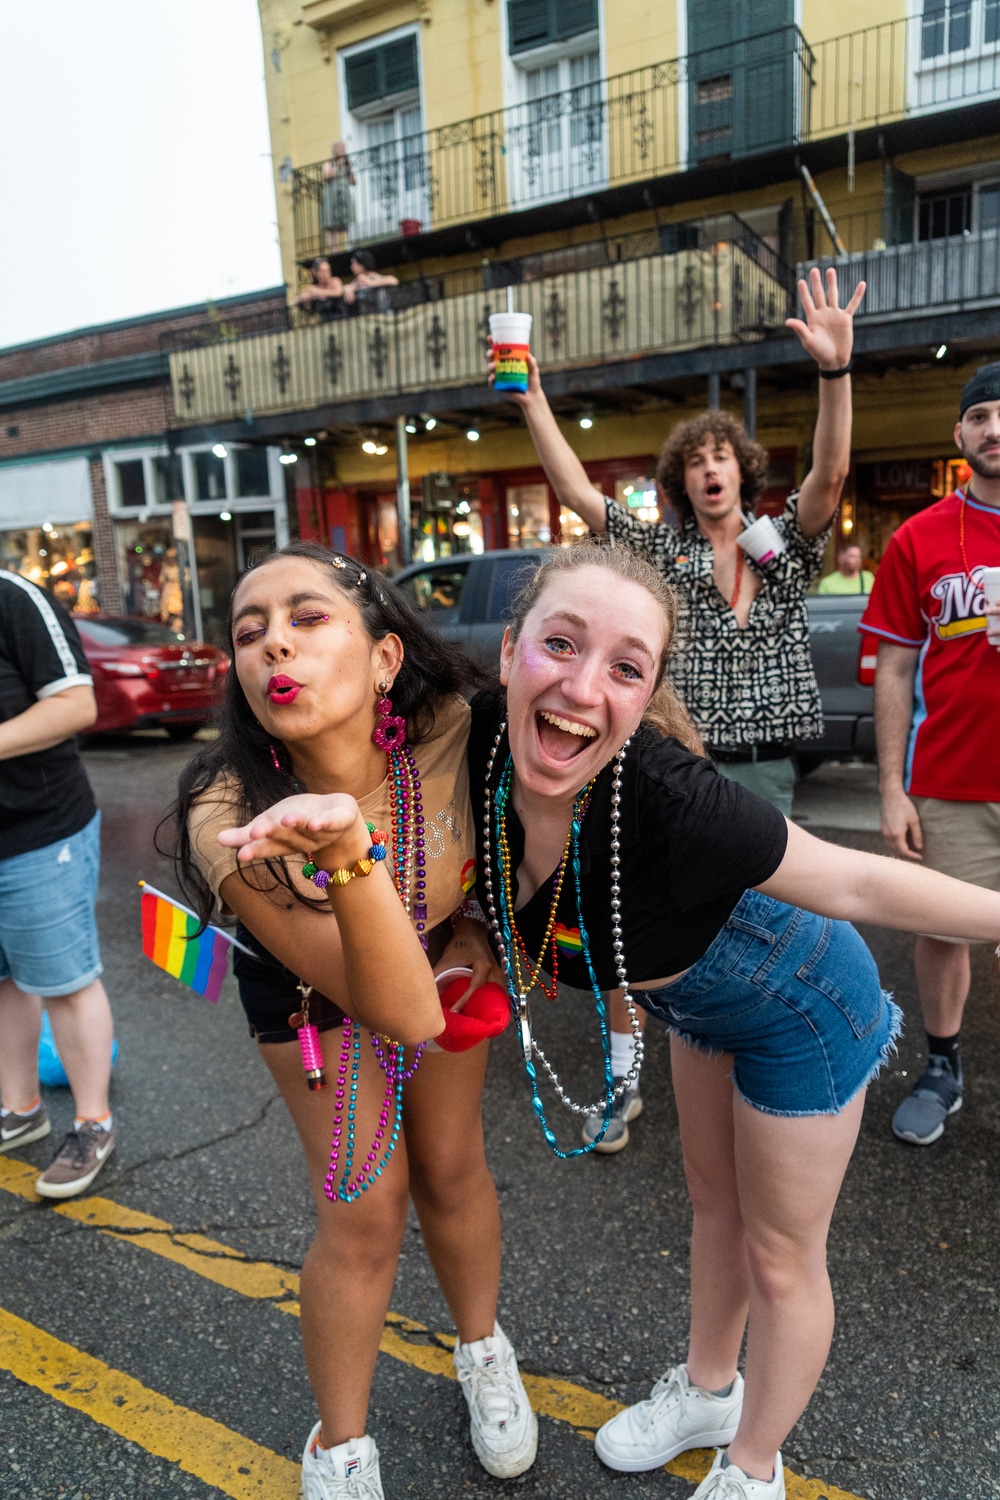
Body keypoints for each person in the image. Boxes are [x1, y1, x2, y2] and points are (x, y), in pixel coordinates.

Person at [457, 543, 999, 1500]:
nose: (584, 687)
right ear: (508, 653)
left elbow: (861, 880)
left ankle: (754, 1467)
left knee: (782, 1255)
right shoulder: (479, 749)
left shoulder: (672, 798)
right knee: (715, 1210)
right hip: (694, 1002)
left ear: (649, 693)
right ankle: (710, 1393)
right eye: (560, 643)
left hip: (802, 1001)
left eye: (626, 666)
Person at [169, 542, 538, 1500]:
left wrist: (482, 932)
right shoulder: (230, 810)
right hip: (315, 996)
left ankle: (481, 1349)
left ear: (382, 657)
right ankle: (338, 1447)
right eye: (249, 635)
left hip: (444, 959)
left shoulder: (460, 728)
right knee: (365, 1212)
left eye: (306, 617)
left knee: (453, 1170)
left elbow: (546, 820)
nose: (271, 648)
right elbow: (397, 1011)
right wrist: (348, 848)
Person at [494, 266, 866, 1151]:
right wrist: (533, 401)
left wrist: (834, 373)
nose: (710, 471)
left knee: (764, 917)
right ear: (680, 477)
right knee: (625, 914)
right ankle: (627, 1079)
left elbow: (833, 470)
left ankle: (753, 1056)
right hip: (671, 763)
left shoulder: (783, 551)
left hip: (766, 765)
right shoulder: (657, 557)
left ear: (742, 472)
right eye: (695, 461)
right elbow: (583, 497)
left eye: (722, 458)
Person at [860, 360, 1000, 1146]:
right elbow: (896, 667)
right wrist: (891, 786)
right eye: (980, 416)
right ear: (959, 434)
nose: (995, 429)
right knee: (944, 929)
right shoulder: (919, 536)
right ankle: (942, 1064)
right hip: (949, 776)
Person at [0, 571, 118, 1199]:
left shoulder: (12, 597)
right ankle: (20, 1110)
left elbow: (77, 705)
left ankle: (92, 1121)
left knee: (65, 982)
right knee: (4, 980)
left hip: (41, 830)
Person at [321, 141, 355, 253]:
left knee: (346, 219)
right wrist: (337, 166)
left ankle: (349, 244)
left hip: (344, 194)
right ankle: (334, 250)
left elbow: (353, 181)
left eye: (343, 148)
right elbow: (326, 176)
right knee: (332, 224)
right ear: (334, 150)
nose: (342, 150)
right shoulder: (328, 163)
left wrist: (348, 169)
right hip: (332, 195)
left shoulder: (347, 163)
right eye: (339, 148)